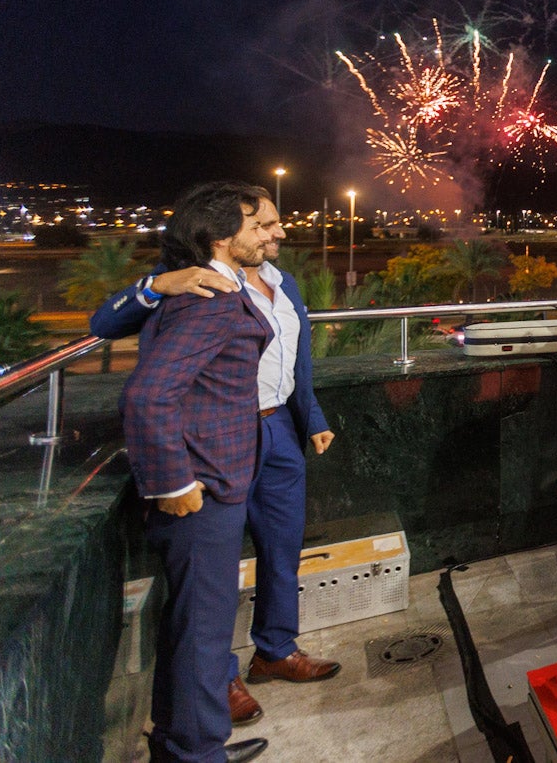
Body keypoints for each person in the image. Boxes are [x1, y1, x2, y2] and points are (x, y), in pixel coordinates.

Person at [94, 191, 341, 730]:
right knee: (210, 567)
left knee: (282, 547)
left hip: (277, 429)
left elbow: (295, 358)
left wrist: (313, 417)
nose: (278, 233)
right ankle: (216, 678)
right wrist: (156, 285)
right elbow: (102, 326)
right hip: (217, 437)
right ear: (227, 230)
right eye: (265, 223)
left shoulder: (282, 282)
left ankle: (276, 649)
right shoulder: (188, 279)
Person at [120, 182, 276, 763]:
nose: (273, 235)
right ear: (219, 238)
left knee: (191, 630)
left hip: (210, 481)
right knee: (203, 635)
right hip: (204, 490)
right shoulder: (207, 303)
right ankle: (198, 754)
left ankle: (181, 743)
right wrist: (174, 483)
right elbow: (148, 395)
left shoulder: (208, 291)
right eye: (259, 227)